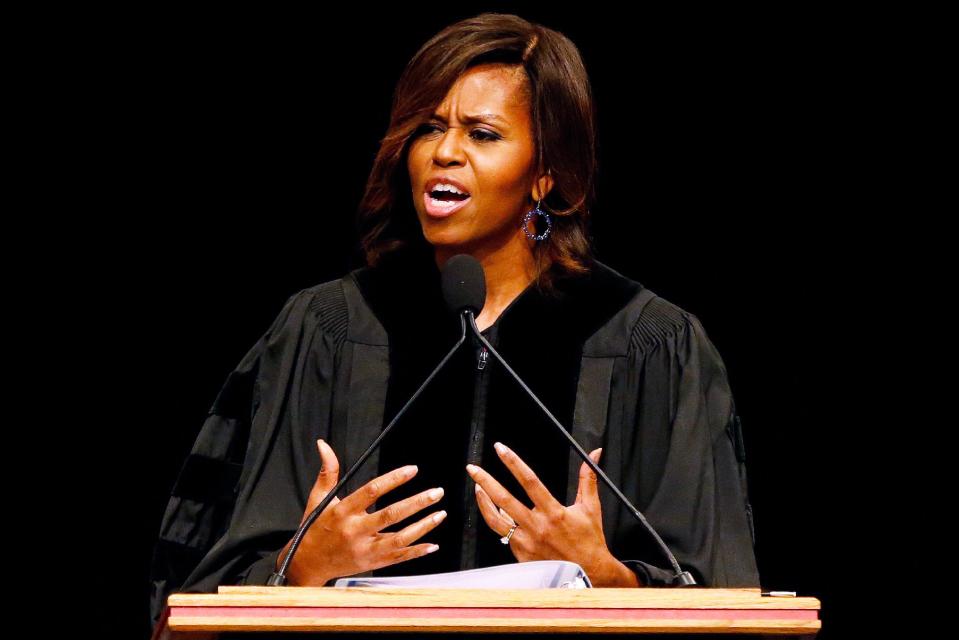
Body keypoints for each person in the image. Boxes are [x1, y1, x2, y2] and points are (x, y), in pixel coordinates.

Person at [149, 12, 760, 630]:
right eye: (429, 128)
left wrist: (604, 576)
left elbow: (719, 594)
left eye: (483, 135)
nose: (444, 153)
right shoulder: (328, 330)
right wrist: (299, 566)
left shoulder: (648, 343)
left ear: (547, 176)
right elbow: (198, 584)